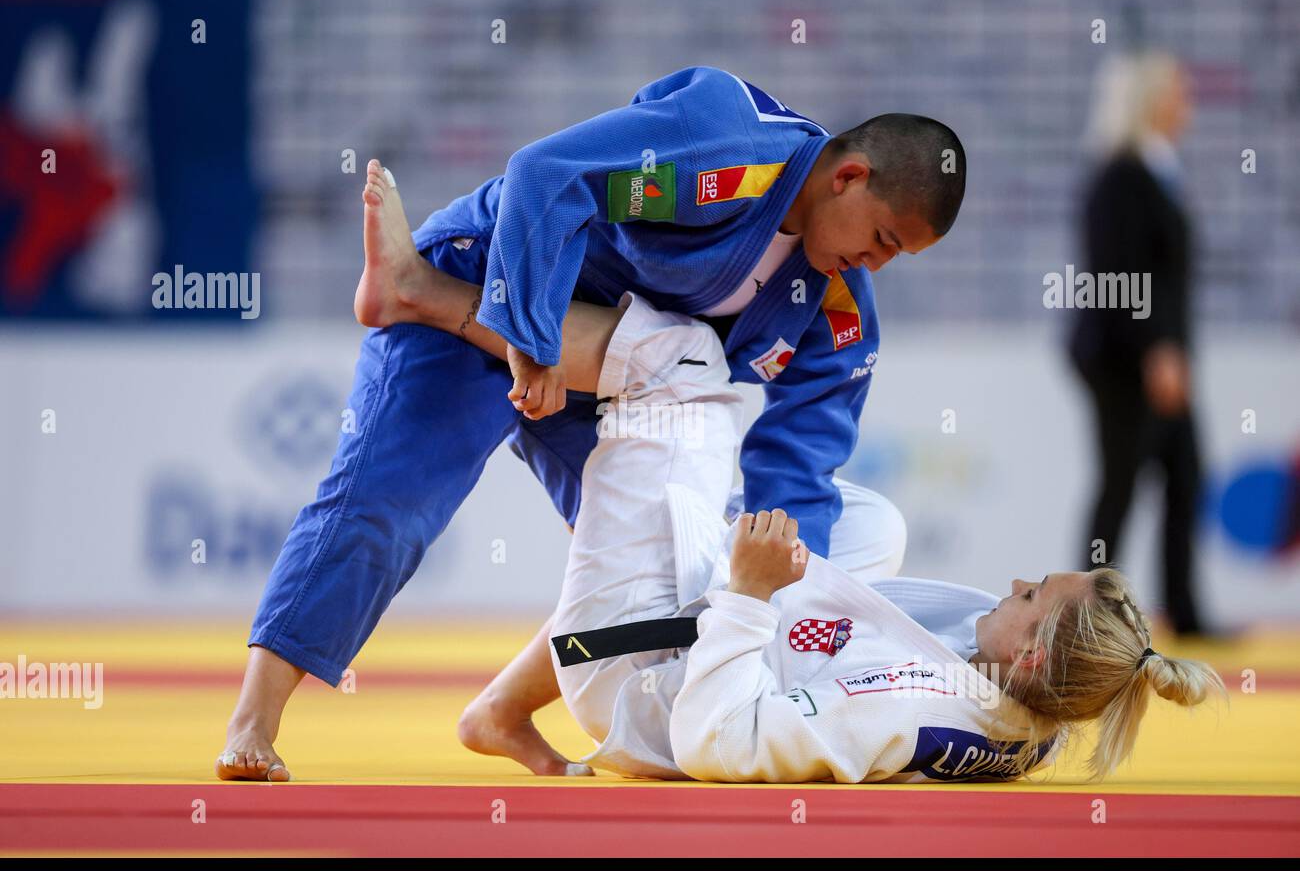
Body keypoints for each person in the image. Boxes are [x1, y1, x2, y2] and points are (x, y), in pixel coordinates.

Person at [217, 65, 967, 781]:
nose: (873, 264)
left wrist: (784, 610)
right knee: (390, 505)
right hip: (495, 287)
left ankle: (500, 710)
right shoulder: (733, 144)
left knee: (676, 566)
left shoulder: (836, 308)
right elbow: (545, 174)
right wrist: (531, 338)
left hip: (602, 379)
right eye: (883, 239)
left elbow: (796, 482)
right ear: (849, 177)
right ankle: (254, 720)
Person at [452, 291, 1226, 783]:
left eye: (1031, 596)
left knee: (684, 361)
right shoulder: (1041, 708)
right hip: (722, 639)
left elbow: (710, 742)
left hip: (641, 676)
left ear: (1027, 653)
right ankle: (503, 704)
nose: (1016, 581)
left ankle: (448, 302)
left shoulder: (905, 706)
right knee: (873, 527)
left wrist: (750, 593)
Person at [1068, 52, 1206, 637]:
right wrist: (1158, 350)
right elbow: (1119, 275)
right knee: (1121, 483)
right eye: (1178, 92)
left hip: (1155, 354)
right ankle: (1087, 617)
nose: (1188, 103)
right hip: (1125, 359)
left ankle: (1184, 610)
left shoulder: (1157, 168)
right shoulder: (1122, 175)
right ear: (1152, 100)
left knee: (1185, 476)